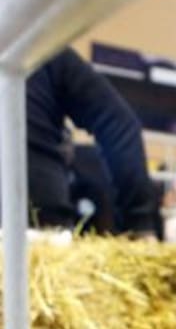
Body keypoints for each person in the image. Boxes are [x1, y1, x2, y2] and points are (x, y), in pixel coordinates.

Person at [20, 48, 159, 236]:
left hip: (40, 232)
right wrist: (140, 226)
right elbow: (119, 123)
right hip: (43, 232)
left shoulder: (43, 49)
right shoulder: (40, 45)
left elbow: (118, 123)